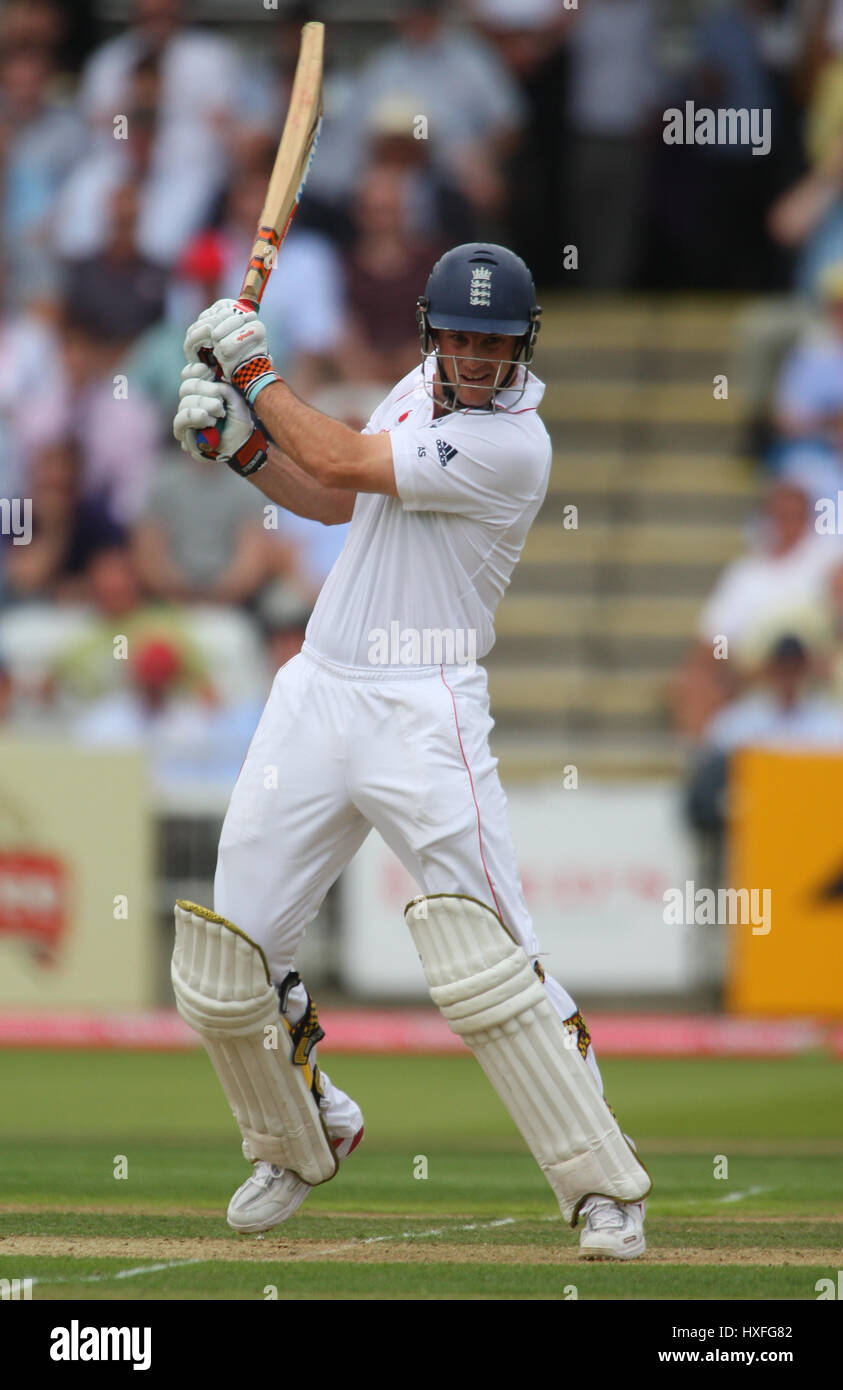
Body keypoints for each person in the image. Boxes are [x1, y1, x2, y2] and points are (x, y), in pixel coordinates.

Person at [170, 243, 650, 1259]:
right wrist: (244, 449)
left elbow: (343, 459)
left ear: (523, 346)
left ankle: (604, 1185)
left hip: (424, 707)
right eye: (464, 337)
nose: (477, 357)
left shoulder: (517, 444)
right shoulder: (416, 384)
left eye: (496, 342)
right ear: (436, 331)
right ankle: (304, 1134)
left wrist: (253, 375)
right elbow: (342, 499)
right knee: (228, 961)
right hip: (320, 687)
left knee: (493, 964)